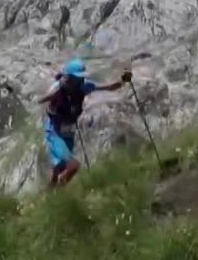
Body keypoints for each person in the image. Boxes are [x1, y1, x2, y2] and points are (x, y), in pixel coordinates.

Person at [39, 59, 131, 187]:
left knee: (60, 166)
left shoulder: (84, 87)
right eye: (77, 78)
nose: (80, 81)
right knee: (73, 165)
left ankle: (50, 191)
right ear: (69, 77)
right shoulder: (58, 88)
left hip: (69, 128)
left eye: (81, 78)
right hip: (55, 130)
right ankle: (58, 192)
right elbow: (42, 99)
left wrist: (124, 80)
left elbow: (109, 87)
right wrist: (55, 92)